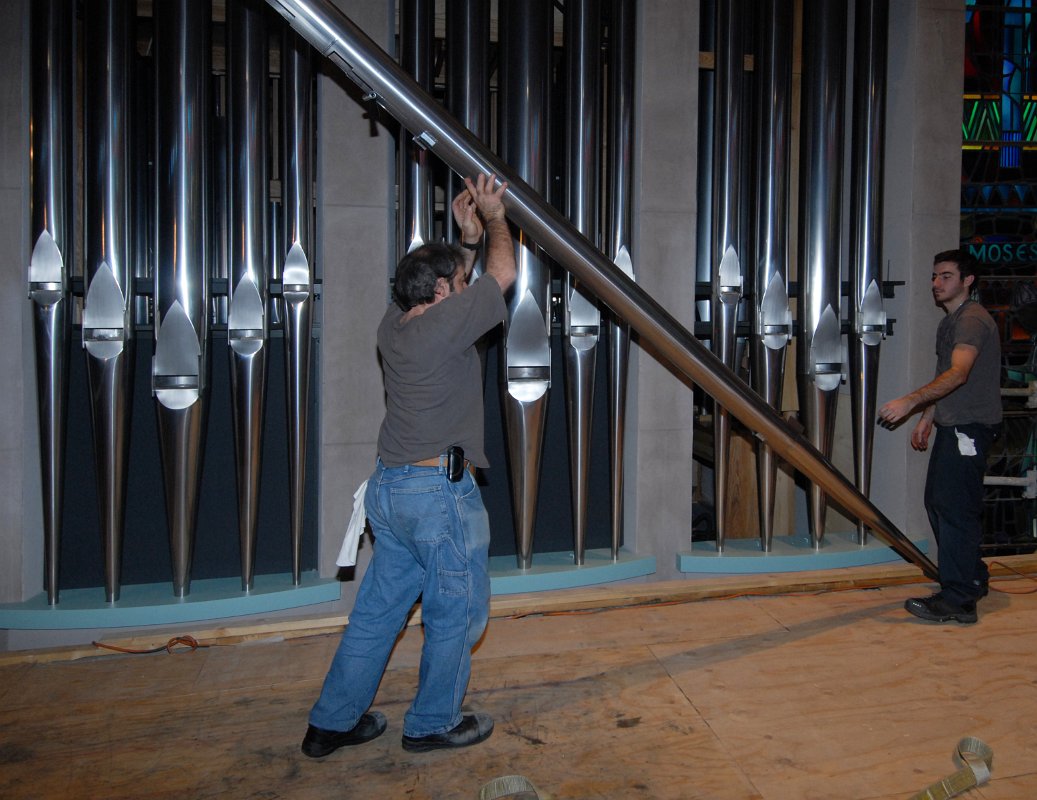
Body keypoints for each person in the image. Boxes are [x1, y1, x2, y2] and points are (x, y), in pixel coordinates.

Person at [301, 174, 516, 757]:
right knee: (454, 612)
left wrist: (462, 243)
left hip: (390, 493)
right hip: (436, 498)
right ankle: (431, 723)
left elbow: (463, 287)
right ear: (444, 293)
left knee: (377, 613)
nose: (465, 289)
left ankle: (332, 723)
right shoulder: (447, 325)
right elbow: (502, 278)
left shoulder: (393, 326)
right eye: (457, 283)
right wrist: (494, 218)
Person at [877, 249, 1002, 624]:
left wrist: (911, 403)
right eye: (934, 276)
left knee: (953, 508)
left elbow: (959, 373)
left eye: (945, 276)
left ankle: (959, 600)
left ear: (968, 281)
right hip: (955, 424)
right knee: (940, 503)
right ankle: (971, 576)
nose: (936, 283)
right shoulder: (951, 321)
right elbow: (945, 376)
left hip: (970, 428)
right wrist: (928, 418)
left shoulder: (972, 321)